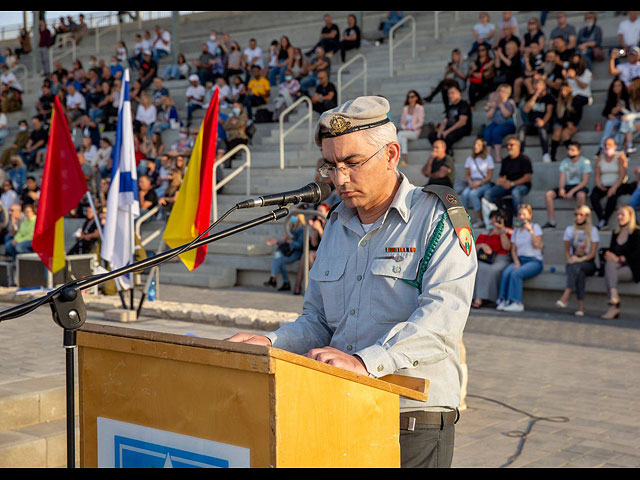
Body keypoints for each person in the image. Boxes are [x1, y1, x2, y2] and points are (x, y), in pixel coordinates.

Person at [226, 95, 477, 468]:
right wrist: (270, 342)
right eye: (330, 166)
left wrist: (364, 361)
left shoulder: (437, 218)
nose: (339, 179)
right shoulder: (336, 225)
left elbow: (441, 322)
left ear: (391, 155)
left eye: (352, 163)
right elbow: (318, 322)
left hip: (410, 416)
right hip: (341, 405)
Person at [496, 203, 543, 313]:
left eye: (524, 214)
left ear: (530, 216)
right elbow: (513, 249)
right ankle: (504, 300)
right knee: (506, 272)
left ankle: (516, 302)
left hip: (534, 261)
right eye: (520, 214)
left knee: (516, 274)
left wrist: (530, 231)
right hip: (520, 259)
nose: (521, 216)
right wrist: (516, 262)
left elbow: (537, 245)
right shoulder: (516, 230)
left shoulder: (536, 227)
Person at [554, 205, 599, 317]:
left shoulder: (593, 230)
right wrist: (571, 259)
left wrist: (579, 258)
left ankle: (566, 294)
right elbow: (566, 251)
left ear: (587, 216)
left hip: (588, 262)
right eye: (576, 214)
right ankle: (580, 308)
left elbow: (592, 254)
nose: (578, 217)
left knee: (577, 266)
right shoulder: (569, 230)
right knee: (578, 271)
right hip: (574, 261)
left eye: (581, 214)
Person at [600, 206, 640, 319]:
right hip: (616, 267)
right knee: (609, 265)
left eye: (622, 214)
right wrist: (610, 255)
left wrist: (620, 259)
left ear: (630, 216)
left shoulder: (637, 233)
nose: (619, 217)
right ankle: (614, 298)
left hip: (633, 268)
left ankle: (614, 305)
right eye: (618, 215)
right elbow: (612, 251)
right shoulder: (615, 233)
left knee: (609, 272)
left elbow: (637, 254)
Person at [590, 137, 637, 230]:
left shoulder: (620, 156)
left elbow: (622, 175)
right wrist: (599, 185)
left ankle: (605, 219)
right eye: (605, 145)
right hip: (604, 185)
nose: (607, 147)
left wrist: (614, 187)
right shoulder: (599, 159)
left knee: (613, 196)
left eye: (610, 144)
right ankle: (601, 219)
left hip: (618, 184)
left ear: (615, 146)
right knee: (593, 195)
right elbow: (597, 175)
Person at [543, 141, 592, 229]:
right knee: (549, 194)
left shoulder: (585, 162)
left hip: (579, 186)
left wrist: (572, 192)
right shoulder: (564, 162)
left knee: (581, 195)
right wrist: (561, 188)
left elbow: (584, 182)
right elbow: (562, 178)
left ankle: (581, 221)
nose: (569, 151)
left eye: (572, 150)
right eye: (568, 149)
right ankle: (551, 221)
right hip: (568, 186)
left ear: (578, 151)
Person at [472, 209, 512, 308]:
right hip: (485, 258)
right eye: (492, 219)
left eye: (496, 219)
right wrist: (482, 245)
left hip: (502, 258)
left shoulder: (508, 231)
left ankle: (480, 299)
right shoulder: (486, 232)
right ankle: (477, 297)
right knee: (477, 267)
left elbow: (507, 247)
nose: (493, 221)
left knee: (491, 270)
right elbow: (474, 248)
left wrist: (501, 231)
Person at [485, 137, 532, 215]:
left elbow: (527, 177)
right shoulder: (505, 160)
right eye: (507, 145)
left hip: (522, 186)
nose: (509, 147)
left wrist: (512, 184)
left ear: (518, 146)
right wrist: (503, 182)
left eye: (511, 145)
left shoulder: (524, 159)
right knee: (488, 193)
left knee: (515, 192)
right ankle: (499, 215)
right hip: (507, 186)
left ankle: (517, 218)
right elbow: (501, 177)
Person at [293, 203, 330, 296]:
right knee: (306, 255)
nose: (318, 213)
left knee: (307, 256)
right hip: (315, 251)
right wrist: (314, 231)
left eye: (321, 211)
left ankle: (301, 286)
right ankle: (302, 286)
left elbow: (327, 244)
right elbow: (314, 244)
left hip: (327, 252)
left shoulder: (331, 224)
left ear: (327, 212)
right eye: (317, 211)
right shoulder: (316, 221)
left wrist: (320, 230)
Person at [263, 214, 306, 292]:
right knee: (277, 256)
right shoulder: (291, 227)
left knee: (278, 258)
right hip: (288, 251)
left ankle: (274, 279)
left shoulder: (302, 229)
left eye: (295, 216)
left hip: (296, 253)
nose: (293, 218)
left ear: (299, 217)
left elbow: (300, 245)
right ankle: (283, 282)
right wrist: (277, 241)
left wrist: (289, 241)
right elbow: (286, 241)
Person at [427, 85, 472, 154]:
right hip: (450, 128)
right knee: (432, 136)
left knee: (448, 137)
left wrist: (447, 131)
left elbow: (462, 122)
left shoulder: (464, 105)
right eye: (449, 93)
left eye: (452, 93)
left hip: (462, 129)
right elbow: (445, 121)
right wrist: (440, 131)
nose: (450, 95)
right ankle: (440, 152)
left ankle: (448, 154)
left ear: (459, 93)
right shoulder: (450, 107)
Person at [519, 77, 555, 163]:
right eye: (535, 87)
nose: (536, 89)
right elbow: (526, 110)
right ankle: (521, 152)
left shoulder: (549, 97)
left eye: (538, 88)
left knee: (542, 130)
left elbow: (549, 112)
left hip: (544, 123)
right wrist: (535, 96)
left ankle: (546, 154)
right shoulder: (531, 97)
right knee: (522, 129)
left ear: (544, 88)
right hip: (532, 124)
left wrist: (543, 122)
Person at [461, 138, 495, 227]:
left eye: (478, 145)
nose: (476, 146)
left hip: (484, 182)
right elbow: (467, 174)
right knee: (464, 194)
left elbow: (489, 176)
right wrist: (470, 182)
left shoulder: (488, 158)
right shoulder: (470, 159)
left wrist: (479, 183)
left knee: (473, 194)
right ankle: (463, 219)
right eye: (475, 144)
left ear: (483, 147)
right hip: (472, 182)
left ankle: (481, 219)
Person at [482, 83, 517, 162]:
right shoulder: (494, 103)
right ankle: (488, 156)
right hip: (495, 124)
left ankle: (498, 156)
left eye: (504, 92)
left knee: (496, 131)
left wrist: (501, 105)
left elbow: (507, 115)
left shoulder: (509, 103)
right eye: (500, 91)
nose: (501, 93)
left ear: (508, 94)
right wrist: (494, 106)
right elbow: (488, 116)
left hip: (508, 124)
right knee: (487, 132)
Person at [550, 82, 583, 162]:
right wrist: (565, 123)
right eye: (562, 90)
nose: (563, 92)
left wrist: (572, 123)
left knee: (565, 133)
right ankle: (552, 156)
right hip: (561, 123)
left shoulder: (576, 100)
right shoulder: (558, 102)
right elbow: (557, 117)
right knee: (557, 133)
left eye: (565, 90)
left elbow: (578, 115)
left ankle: (571, 154)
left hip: (573, 123)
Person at [599, 78, 629, 154]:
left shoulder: (628, 97)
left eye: (618, 85)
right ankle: (602, 146)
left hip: (626, 121)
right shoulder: (611, 97)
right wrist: (610, 114)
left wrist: (621, 109)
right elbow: (606, 112)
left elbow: (631, 112)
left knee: (620, 131)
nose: (616, 88)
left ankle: (618, 148)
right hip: (615, 120)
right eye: (615, 86)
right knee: (610, 123)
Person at [397, 90, 425, 166]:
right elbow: (402, 122)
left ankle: (395, 153)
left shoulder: (420, 108)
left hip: (414, 132)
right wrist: (405, 127)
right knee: (403, 138)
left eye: (412, 96)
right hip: (405, 132)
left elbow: (420, 122)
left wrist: (411, 128)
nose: (410, 98)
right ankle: (405, 160)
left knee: (400, 134)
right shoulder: (405, 108)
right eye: (409, 97)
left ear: (416, 98)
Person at [467, 44, 495, 109]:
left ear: (486, 51)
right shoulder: (475, 62)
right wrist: (472, 71)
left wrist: (481, 75)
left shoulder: (490, 61)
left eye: (483, 50)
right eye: (479, 50)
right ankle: (472, 105)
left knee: (485, 86)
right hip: (476, 81)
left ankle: (473, 101)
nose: (481, 52)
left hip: (486, 81)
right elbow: (468, 75)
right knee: (472, 87)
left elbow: (491, 73)